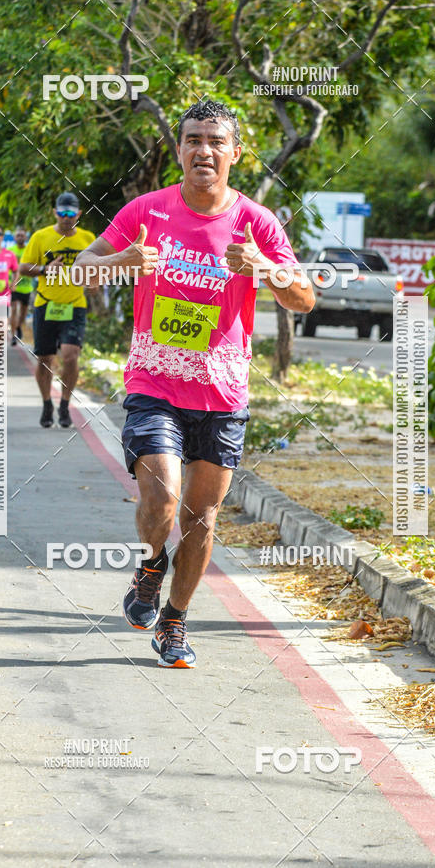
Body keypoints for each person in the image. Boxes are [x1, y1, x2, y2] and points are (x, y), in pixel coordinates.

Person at [73, 100, 315, 668]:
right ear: (179, 150)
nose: (203, 151)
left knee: (201, 520)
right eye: (192, 140)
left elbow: (304, 298)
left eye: (214, 141)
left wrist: (266, 268)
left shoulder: (256, 222)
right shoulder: (145, 211)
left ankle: (175, 623)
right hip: (154, 383)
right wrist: (123, 259)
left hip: (223, 394)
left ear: (234, 152)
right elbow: (80, 268)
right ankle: (151, 561)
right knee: (161, 500)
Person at [19, 193, 95, 429]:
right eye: (62, 213)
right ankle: (46, 404)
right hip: (46, 305)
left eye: (70, 213)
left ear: (78, 215)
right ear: (55, 213)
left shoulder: (88, 238)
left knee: (71, 355)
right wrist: (44, 268)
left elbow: (98, 266)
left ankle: (64, 404)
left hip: (75, 306)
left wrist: (94, 281)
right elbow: (23, 267)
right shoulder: (41, 236)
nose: (66, 217)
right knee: (44, 359)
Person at [8, 227, 32, 346]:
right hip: (13, 286)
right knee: (13, 310)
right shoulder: (10, 250)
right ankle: (13, 335)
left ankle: (18, 326)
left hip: (26, 286)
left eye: (22, 235)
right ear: (14, 237)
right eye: (18, 235)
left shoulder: (29, 250)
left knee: (23, 314)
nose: (20, 237)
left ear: (26, 237)